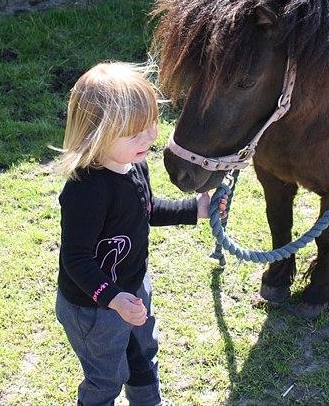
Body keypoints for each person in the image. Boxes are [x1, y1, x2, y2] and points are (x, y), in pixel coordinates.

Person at [52, 62, 225, 406]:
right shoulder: (86, 191)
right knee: (107, 377)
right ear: (95, 135)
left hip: (134, 288)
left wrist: (196, 209)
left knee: (144, 355)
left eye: (151, 125)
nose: (150, 137)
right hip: (93, 307)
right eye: (135, 132)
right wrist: (112, 298)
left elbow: (146, 210)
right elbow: (76, 258)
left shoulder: (135, 163)